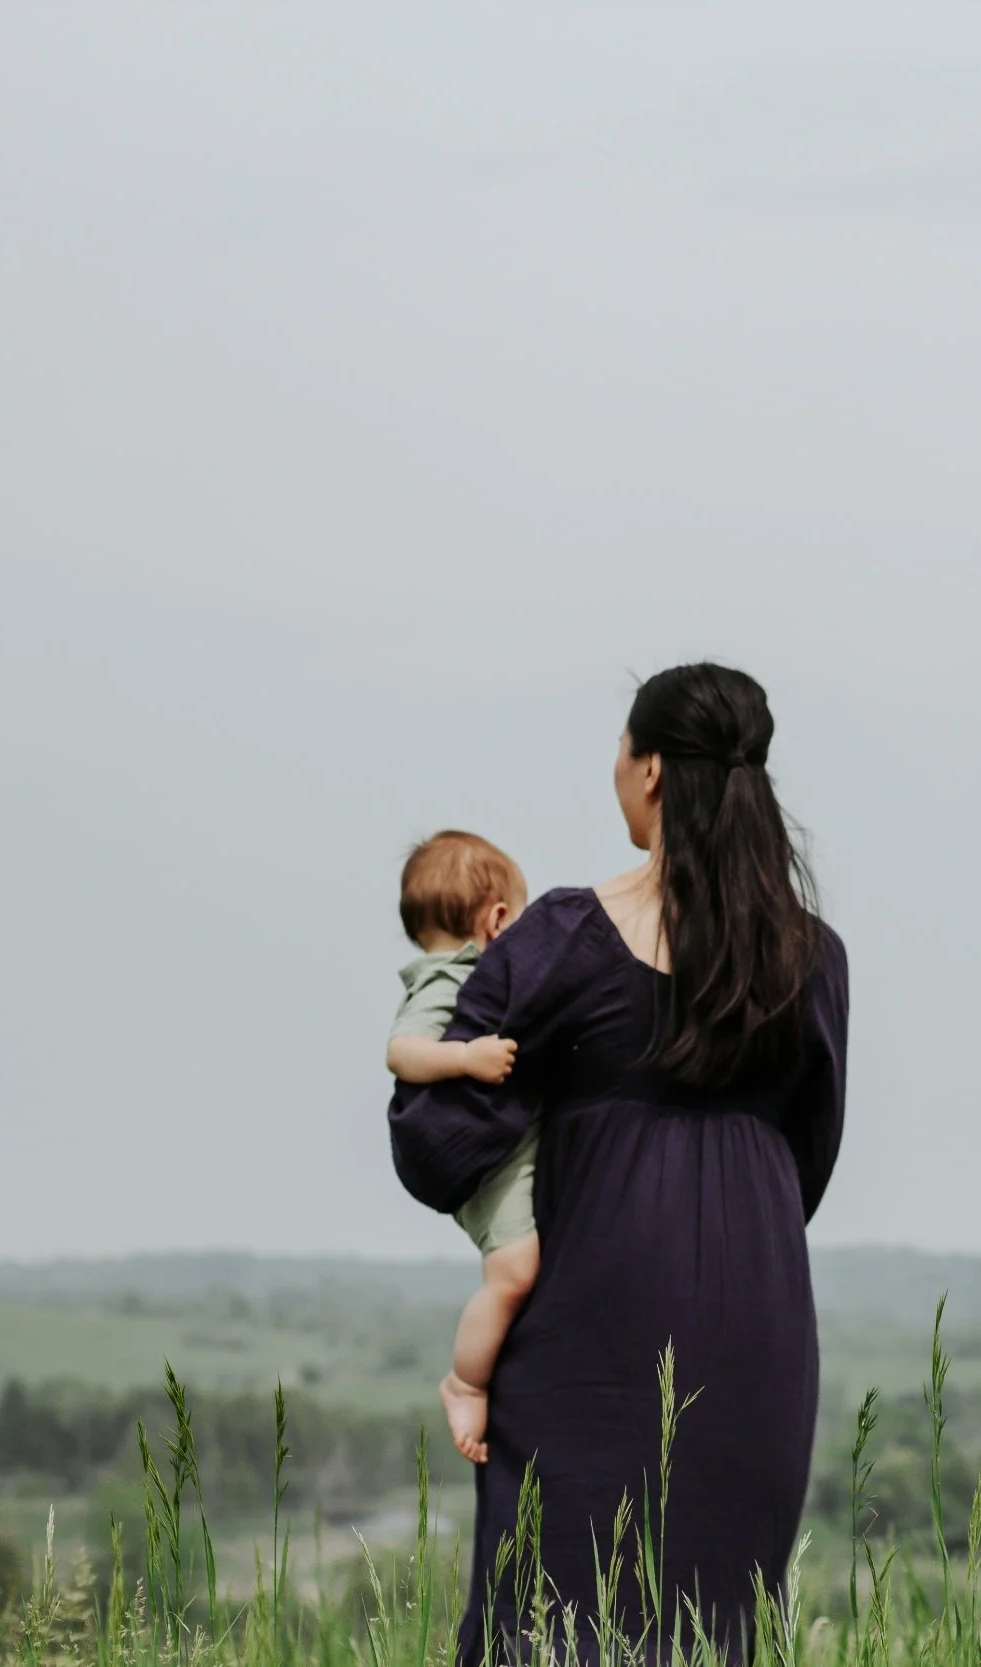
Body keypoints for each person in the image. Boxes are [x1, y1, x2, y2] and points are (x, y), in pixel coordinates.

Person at [386, 663, 849, 1667]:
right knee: (712, 1628)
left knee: (555, 1623)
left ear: (646, 772)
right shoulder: (810, 955)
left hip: (585, 1334)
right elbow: (807, 1160)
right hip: (757, 1329)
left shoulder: (560, 938)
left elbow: (432, 1143)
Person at [383, 829, 538, 1466]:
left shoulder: (473, 976)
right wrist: (465, 1056)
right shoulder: (446, 981)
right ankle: (464, 1381)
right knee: (513, 1273)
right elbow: (401, 1050)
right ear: (497, 919)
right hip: (490, 1167)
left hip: (504, 1152)